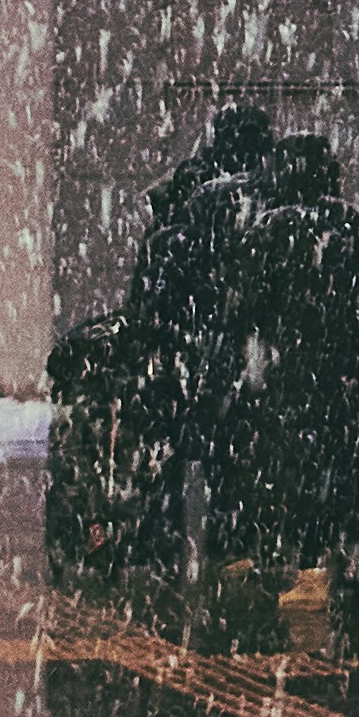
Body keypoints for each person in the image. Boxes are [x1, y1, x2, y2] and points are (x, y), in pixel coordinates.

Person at [245, 133, 359, 584]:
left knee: (292, 462)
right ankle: (351, 548)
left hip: (292, 373)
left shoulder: (271, 229)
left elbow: (247, 303)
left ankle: (302, 551)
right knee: (349, 459)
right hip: (346, 371)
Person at [125, 107, 276, 574]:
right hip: (226, 349)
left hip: (186, 351)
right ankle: (228, 537)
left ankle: (161, 541)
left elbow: (149, 296)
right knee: (229, 451)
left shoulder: (187, 202)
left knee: (169, 451)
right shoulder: (258, 194)